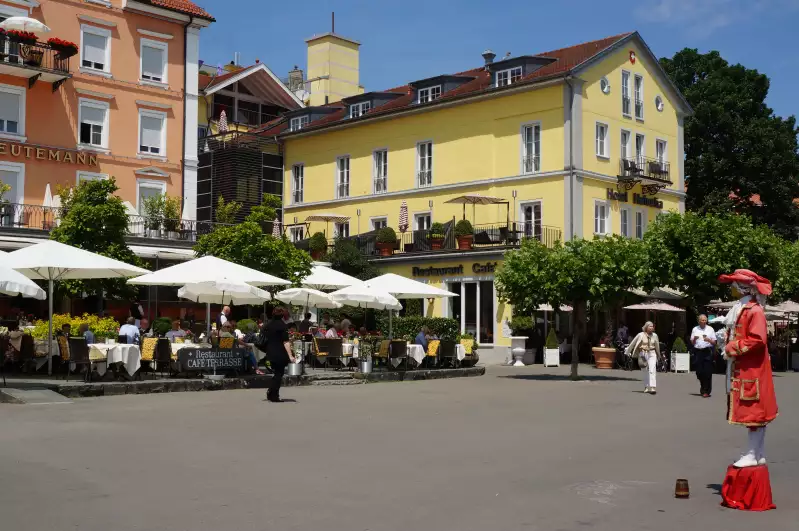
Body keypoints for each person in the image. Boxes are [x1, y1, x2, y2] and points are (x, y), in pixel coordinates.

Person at [718, 269, 778, 469]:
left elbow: (758, 339)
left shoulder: (754, 311)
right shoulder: (743, 308)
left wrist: (731, 348)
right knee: (754, 412)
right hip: (745, 368)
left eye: (734, 284)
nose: (731, 288)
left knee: (755, 412)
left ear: (742, 287)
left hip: (752, 369)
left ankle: (753, 453)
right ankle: (757, 452)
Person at [262, 307, 295, 403]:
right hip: (280, 352)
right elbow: (286, 342)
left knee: (276, 373)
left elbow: (264, 337)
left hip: (270, 352)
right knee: (279, 374)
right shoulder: (282, 326)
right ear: (282, 315)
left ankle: (271, 392)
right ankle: (273, 394)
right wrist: (290, 355)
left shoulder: (268, 325)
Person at [625, 322, 661, 394]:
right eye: (650, 326)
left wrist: (658, 355)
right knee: (645, 371)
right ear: (646, 327)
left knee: (652, 369)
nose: (651, 328)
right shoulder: (640, 335)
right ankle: (646, 387)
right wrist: (627, 352)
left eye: (652, 326)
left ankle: (653, 387)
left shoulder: (655, 335)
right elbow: (633, 343)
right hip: (643, 354)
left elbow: (657, 346)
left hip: (652, 353)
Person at [691, 314, 717, 397]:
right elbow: (692, 342)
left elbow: (714, 342)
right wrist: (694, 339)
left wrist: (709, 340)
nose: (704, 322)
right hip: (698, 351)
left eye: (705, 320)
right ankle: (703, 385)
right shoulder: (695, 329)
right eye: (702, 320)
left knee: (707, 372)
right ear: (699, 321)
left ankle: (706, 391)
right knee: (699, 372)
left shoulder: (710, 329)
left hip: (707, 351)